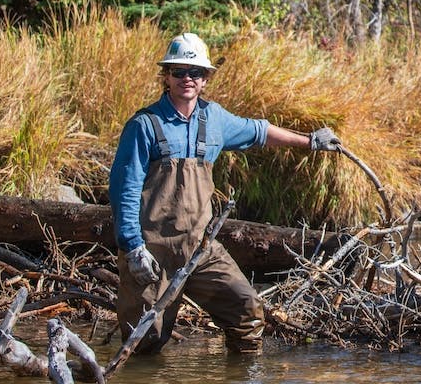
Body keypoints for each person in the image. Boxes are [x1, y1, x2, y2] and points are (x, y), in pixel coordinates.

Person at [109, 32, 343, 354]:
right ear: (166, 76)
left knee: (247, 312)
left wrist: (310, 141)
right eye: (178, 71)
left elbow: (259, 131)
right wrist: (133, 247)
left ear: (205, 79)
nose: (186, 79)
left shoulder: (214, 119)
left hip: (200, 249)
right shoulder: (143, 125)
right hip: (152, 253)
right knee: (143, 346)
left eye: (195, 73)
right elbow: (125, 189)